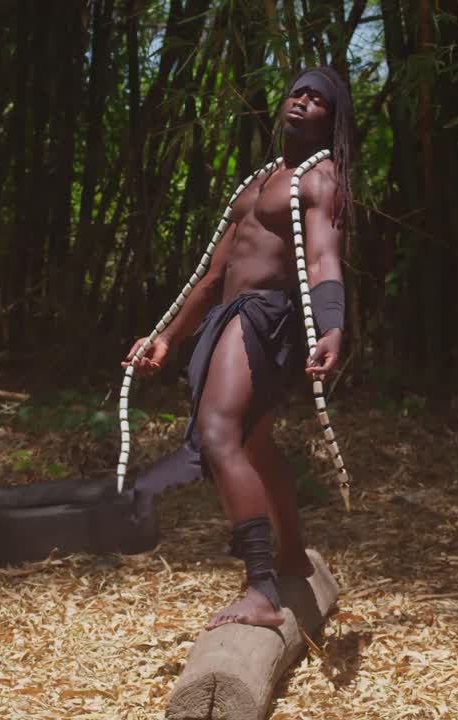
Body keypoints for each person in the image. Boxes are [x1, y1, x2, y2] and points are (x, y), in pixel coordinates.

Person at [122, 66, 353, 629]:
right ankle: (292, 554)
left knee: (219, 434)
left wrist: (332, 325)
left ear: (333, 118)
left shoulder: (321, 180)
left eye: (317, 99)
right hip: (229, 313)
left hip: (266, 317)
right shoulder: (258, 181)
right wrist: (166, 338)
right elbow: (211, 275)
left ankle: (261, 591)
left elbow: (324, 257)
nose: (301, 101)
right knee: (251, 444)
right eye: (297, 92)